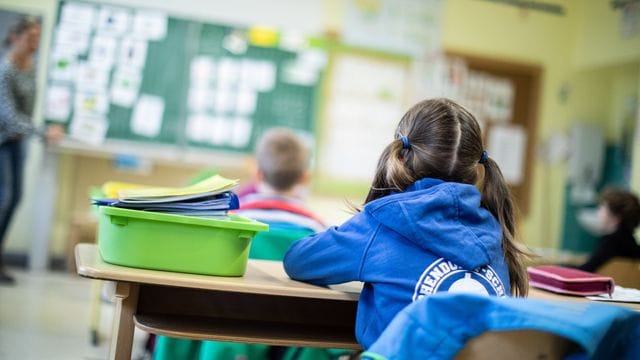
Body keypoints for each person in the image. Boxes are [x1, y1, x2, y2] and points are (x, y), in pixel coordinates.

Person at [283, 98, 529, 349]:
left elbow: (298, 260)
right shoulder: (494, 231)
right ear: (476, 169)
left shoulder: (382, 224)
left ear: (401, 156)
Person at [154, 128, 332, 360]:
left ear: (256, 172)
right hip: (286, 335)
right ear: (305, 178)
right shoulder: (317, 231)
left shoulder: (227, 219)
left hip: (223, 332)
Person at [0, 17, 64, 285]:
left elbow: (27, 111)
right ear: (16, 38)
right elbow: (10, 116)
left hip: (19, 142)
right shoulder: (5, 70)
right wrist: (42, 132)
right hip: (3, 141)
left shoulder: (31, 67)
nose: (35, 43)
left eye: (38, 38)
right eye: (31, 38)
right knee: (5, 199)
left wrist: (37, 131)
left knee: (15, 199)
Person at [578, 188, 640, 272]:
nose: (598, 213)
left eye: (602, 208)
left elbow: (584, 271)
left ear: (616, 217)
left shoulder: (610, 242)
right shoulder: (633, 244)